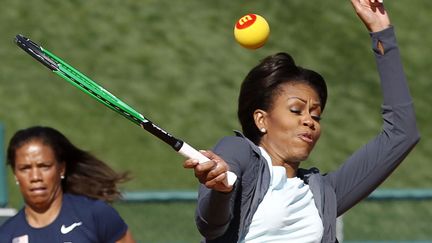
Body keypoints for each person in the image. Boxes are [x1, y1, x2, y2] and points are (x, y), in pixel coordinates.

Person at [183, 0, 420, 242]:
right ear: (261, 119)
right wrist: (221, 191)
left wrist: (381, 30)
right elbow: (210, 226)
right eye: (296, 110)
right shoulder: (239, 152)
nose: (310, 121)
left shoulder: (324, 194)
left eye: (316, 115)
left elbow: (402, 133)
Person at [0, 126, 136, 243]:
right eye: (25, 168)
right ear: (15, 174)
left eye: (44, 166)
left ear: (62, 169)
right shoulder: (6, 236)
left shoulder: (95, 214)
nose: (35, 177)